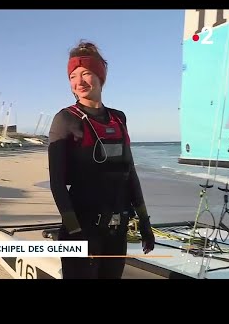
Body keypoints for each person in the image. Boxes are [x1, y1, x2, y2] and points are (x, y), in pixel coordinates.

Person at [48, 40, 155, 279]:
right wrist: (75, 232)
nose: (79, 81)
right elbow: (57, 183)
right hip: (82, 229)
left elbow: (130, 173)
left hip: (117, 232)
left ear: (100, 76)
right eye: (73, 76)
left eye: (86, 73)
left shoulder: (119, 119)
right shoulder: (65, 119)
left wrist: (145, 223)